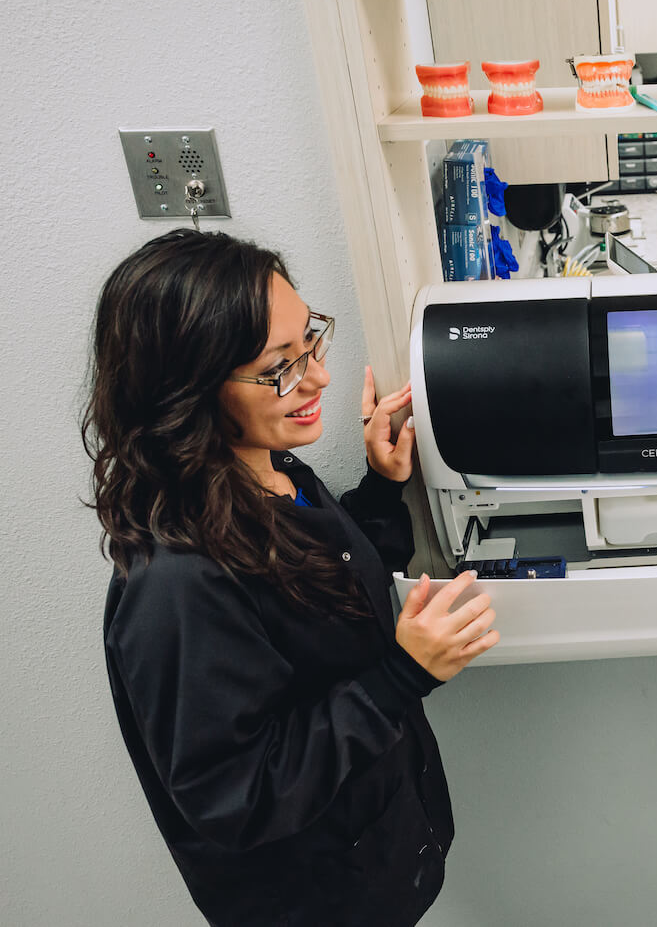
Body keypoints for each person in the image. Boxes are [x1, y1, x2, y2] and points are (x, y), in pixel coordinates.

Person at [84, 229, 498, 927]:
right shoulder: (177, 585)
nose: (318, 377)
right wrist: (404, 674)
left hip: (380, 857)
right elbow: (238, 793)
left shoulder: (269, 469)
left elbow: (318, 591)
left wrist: (379, 489)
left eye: (311, 341)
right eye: (280, 366)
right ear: (187, 392)